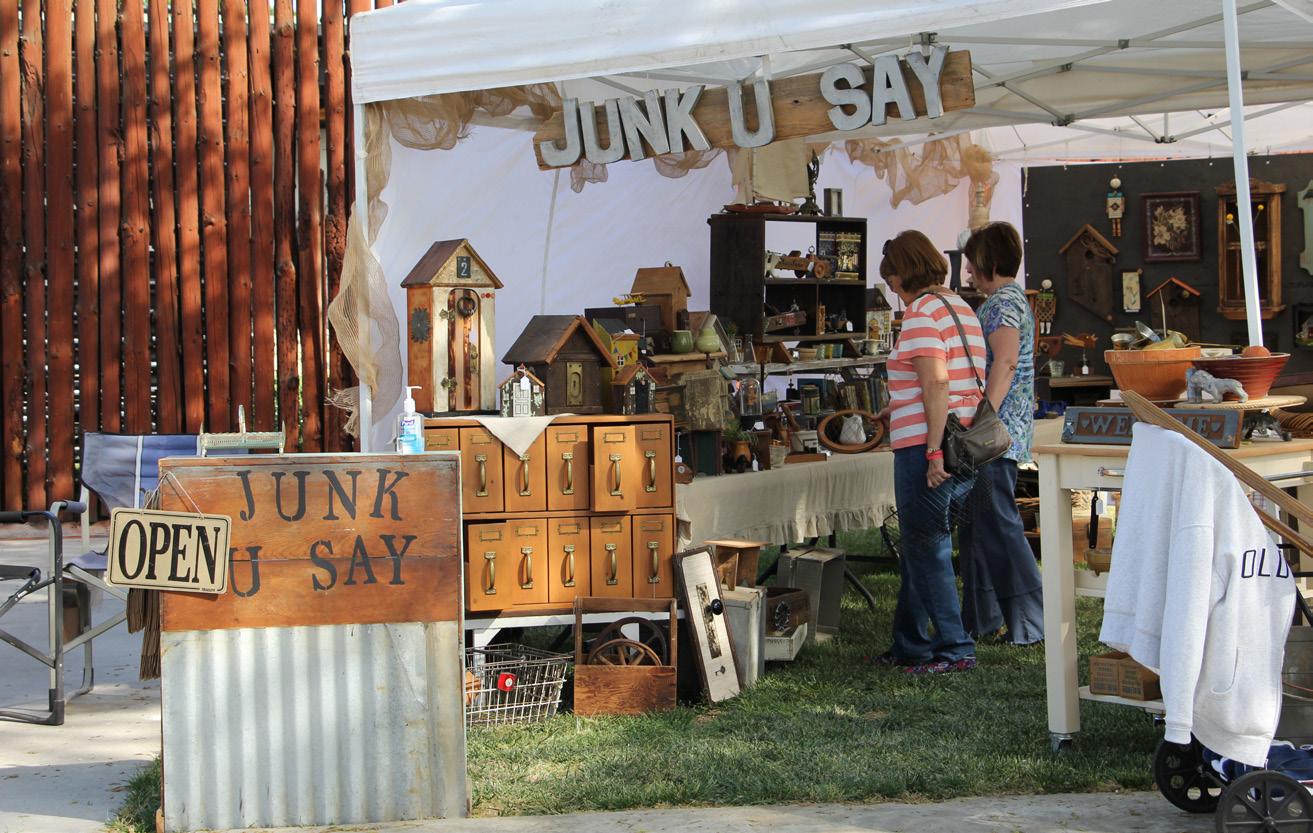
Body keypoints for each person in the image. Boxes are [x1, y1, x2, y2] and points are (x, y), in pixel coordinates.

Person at [873, 230, 986, 675]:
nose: (893, 291)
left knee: (928, 548)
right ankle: (910, 644)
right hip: (966, 440)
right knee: (922, 545)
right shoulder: (961, 308)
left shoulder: (920, 313)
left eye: (892, 281)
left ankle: (956, 648)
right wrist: (899, 405)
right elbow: (953, 381)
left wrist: (933, 451)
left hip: (928, 445)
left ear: (903, 273)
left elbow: (937, 382)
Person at [957, 221, 1044, 645]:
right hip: (999, 434)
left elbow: (1005, 363)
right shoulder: (1009, 300)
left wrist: (982, 415)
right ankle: (982, 619)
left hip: (994, 437)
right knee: (977, 527)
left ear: (988, 261)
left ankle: (1030, 622)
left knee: (999, 526)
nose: (968, 271)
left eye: (972, 262)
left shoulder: (1003, 305)